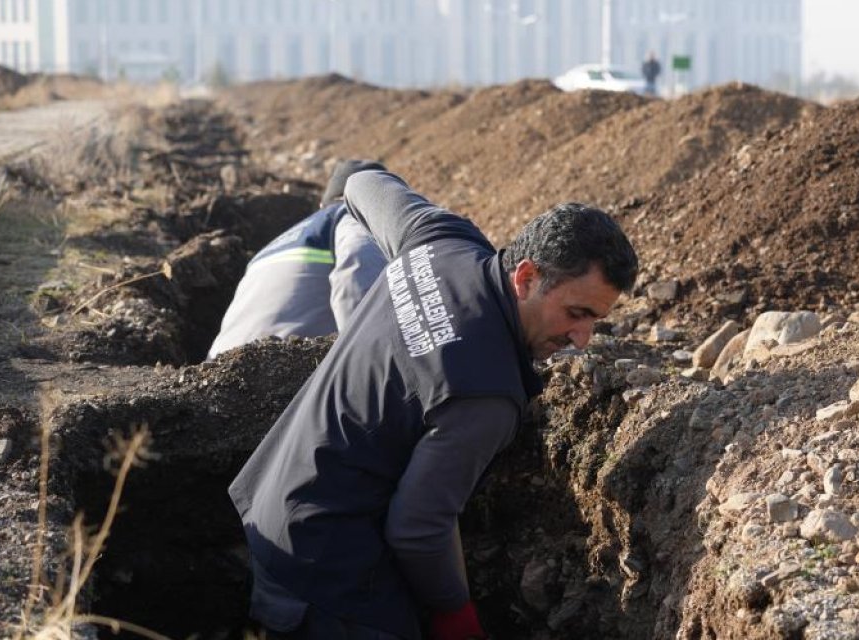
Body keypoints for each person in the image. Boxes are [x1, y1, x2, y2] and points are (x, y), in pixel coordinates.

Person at [228, 169, 638, 640]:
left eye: (595, 321)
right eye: (576, 313)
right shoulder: (485, 394)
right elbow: (419, 527)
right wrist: (455, 615)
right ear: (526, 278)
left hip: (273, 509)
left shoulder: (440, 241)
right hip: (327, 575)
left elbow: (361, 183)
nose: (581, 340)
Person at [205, 159, 389, 360]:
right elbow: (358, 274)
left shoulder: (268, 249)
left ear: (321, 204)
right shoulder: (352, 216)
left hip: (216, 366)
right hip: (282, 366)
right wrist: (378, 359)